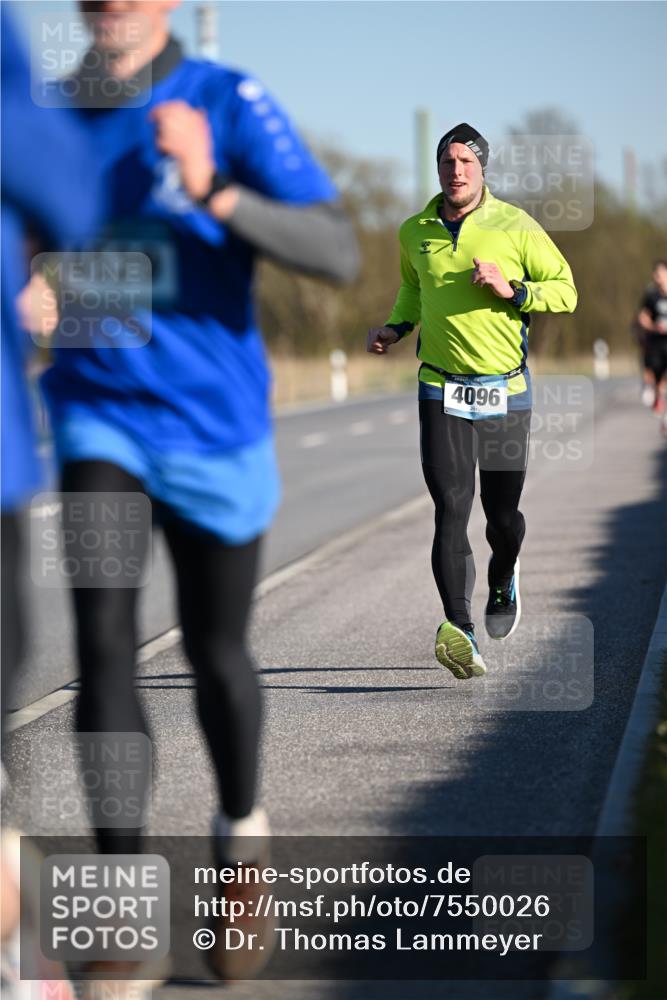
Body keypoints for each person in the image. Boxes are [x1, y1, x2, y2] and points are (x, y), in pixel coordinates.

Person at [39, 0, 358, 981]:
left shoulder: (227, 99)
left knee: (218, 651)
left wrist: (213, 187)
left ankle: (242, 840)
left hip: (216, 429)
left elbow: (336, 254)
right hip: (99, 413)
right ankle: (122, 912)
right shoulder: (48, 115)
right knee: (102, 645)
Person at [367, 123, 577, 679]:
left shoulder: (515, 225)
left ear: (482, 168)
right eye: (446, 162)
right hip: (440, 385)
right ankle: (460, 630)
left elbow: (566, 290)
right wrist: (396, 326)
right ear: (438, 169)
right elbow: (414, 287)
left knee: (500, 516)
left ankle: (504, 574)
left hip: (505, 387)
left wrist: (515, 289)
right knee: (450, 507)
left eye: (465, 161)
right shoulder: (415, 231)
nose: (455, 170)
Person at [634, 259, 667, 424]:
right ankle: (657, 396)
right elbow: (642, 317)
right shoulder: (651, 296)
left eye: (659, 273)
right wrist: (654, 326)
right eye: (655, 274)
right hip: (656, 342)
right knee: (656, 374)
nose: (656, 277)